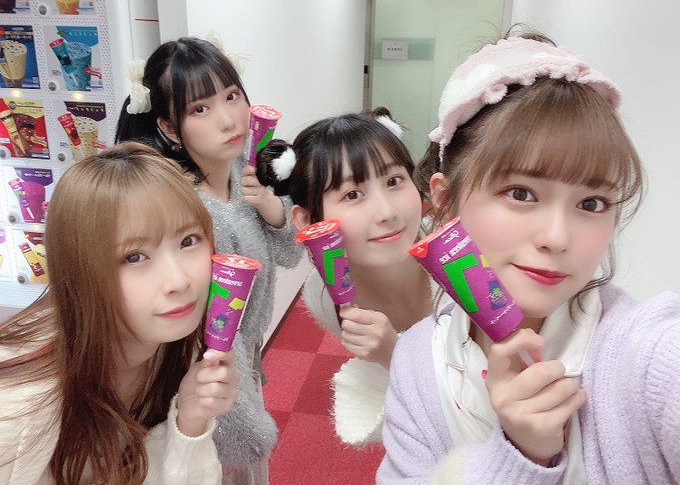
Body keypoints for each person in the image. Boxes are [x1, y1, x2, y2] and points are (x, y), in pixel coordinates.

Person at [376, 31, 680, 484]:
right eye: (521, 193)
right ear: (444, 201)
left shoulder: (647, 353)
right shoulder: (419, 360)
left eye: (592, 203)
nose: (557, 238)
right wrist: (518, 456)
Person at [115, 36, 302, 483]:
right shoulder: (184, 213)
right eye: (200, 108)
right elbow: (202, 336)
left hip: (242, 368)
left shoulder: (242, 172)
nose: (228, 119)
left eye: (232, 96)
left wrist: (270, 206)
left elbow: (291, 252)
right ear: (169, 127)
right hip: (201, 385)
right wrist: (246, 428)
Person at [0, 142, 239, 485]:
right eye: (134, 257)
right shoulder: (17, 409)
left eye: (188, 241)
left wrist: (189, 421)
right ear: (81, 272)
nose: (179, 281)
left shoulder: (180, 345)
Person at [257, 108, 444, 445]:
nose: (387, 212)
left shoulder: (458, 257)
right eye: (353, 195)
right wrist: (390, 358)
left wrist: (394, 353)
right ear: (307, 220)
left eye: (393, 181)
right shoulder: (324, 298)